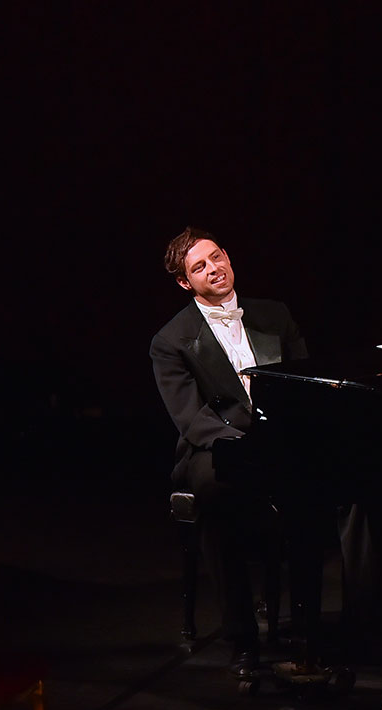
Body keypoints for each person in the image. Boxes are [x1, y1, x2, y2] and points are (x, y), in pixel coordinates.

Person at [151, 227, 308, 677]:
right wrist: (242, 444)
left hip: (279, 438)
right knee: (217, 495)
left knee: (341, 481)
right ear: (185, 282)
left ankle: (319, 628)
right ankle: (242, 639)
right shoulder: (171, 340)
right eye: (199, 266)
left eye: (217, 257)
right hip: (216, 444)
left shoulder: (274, 314)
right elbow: (190, 418)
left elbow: (303, 382)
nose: (214, 269)